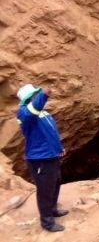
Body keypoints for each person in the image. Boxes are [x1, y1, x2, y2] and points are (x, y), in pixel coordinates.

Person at [16, 85, 67, 232]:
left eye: (37, 94)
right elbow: (31, 111)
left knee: (55, 183)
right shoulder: (23, 113)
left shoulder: (43, 113)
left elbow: (51, 132)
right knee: (45, 189)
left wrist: (59, 147)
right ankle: (47, 222)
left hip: (51, 155)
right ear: (28, 98)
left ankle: (52, 210)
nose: (37, 95)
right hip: (40, 158)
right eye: (34, 94)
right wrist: (43, 95)